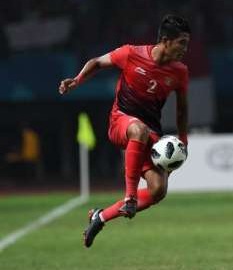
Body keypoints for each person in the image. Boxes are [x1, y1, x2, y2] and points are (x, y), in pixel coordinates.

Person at [58, 14, 190, 248]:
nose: (185, 49)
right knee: (137, 129)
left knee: (158, 190)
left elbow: (182, 110)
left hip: (151, 133)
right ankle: (129, 196)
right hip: (120, 122)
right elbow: (97, 62)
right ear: (166, 40)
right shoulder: (131, 53)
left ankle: (100, 217)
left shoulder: (179, 72)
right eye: (182, 43)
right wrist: (77, 81)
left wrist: (184, 140)